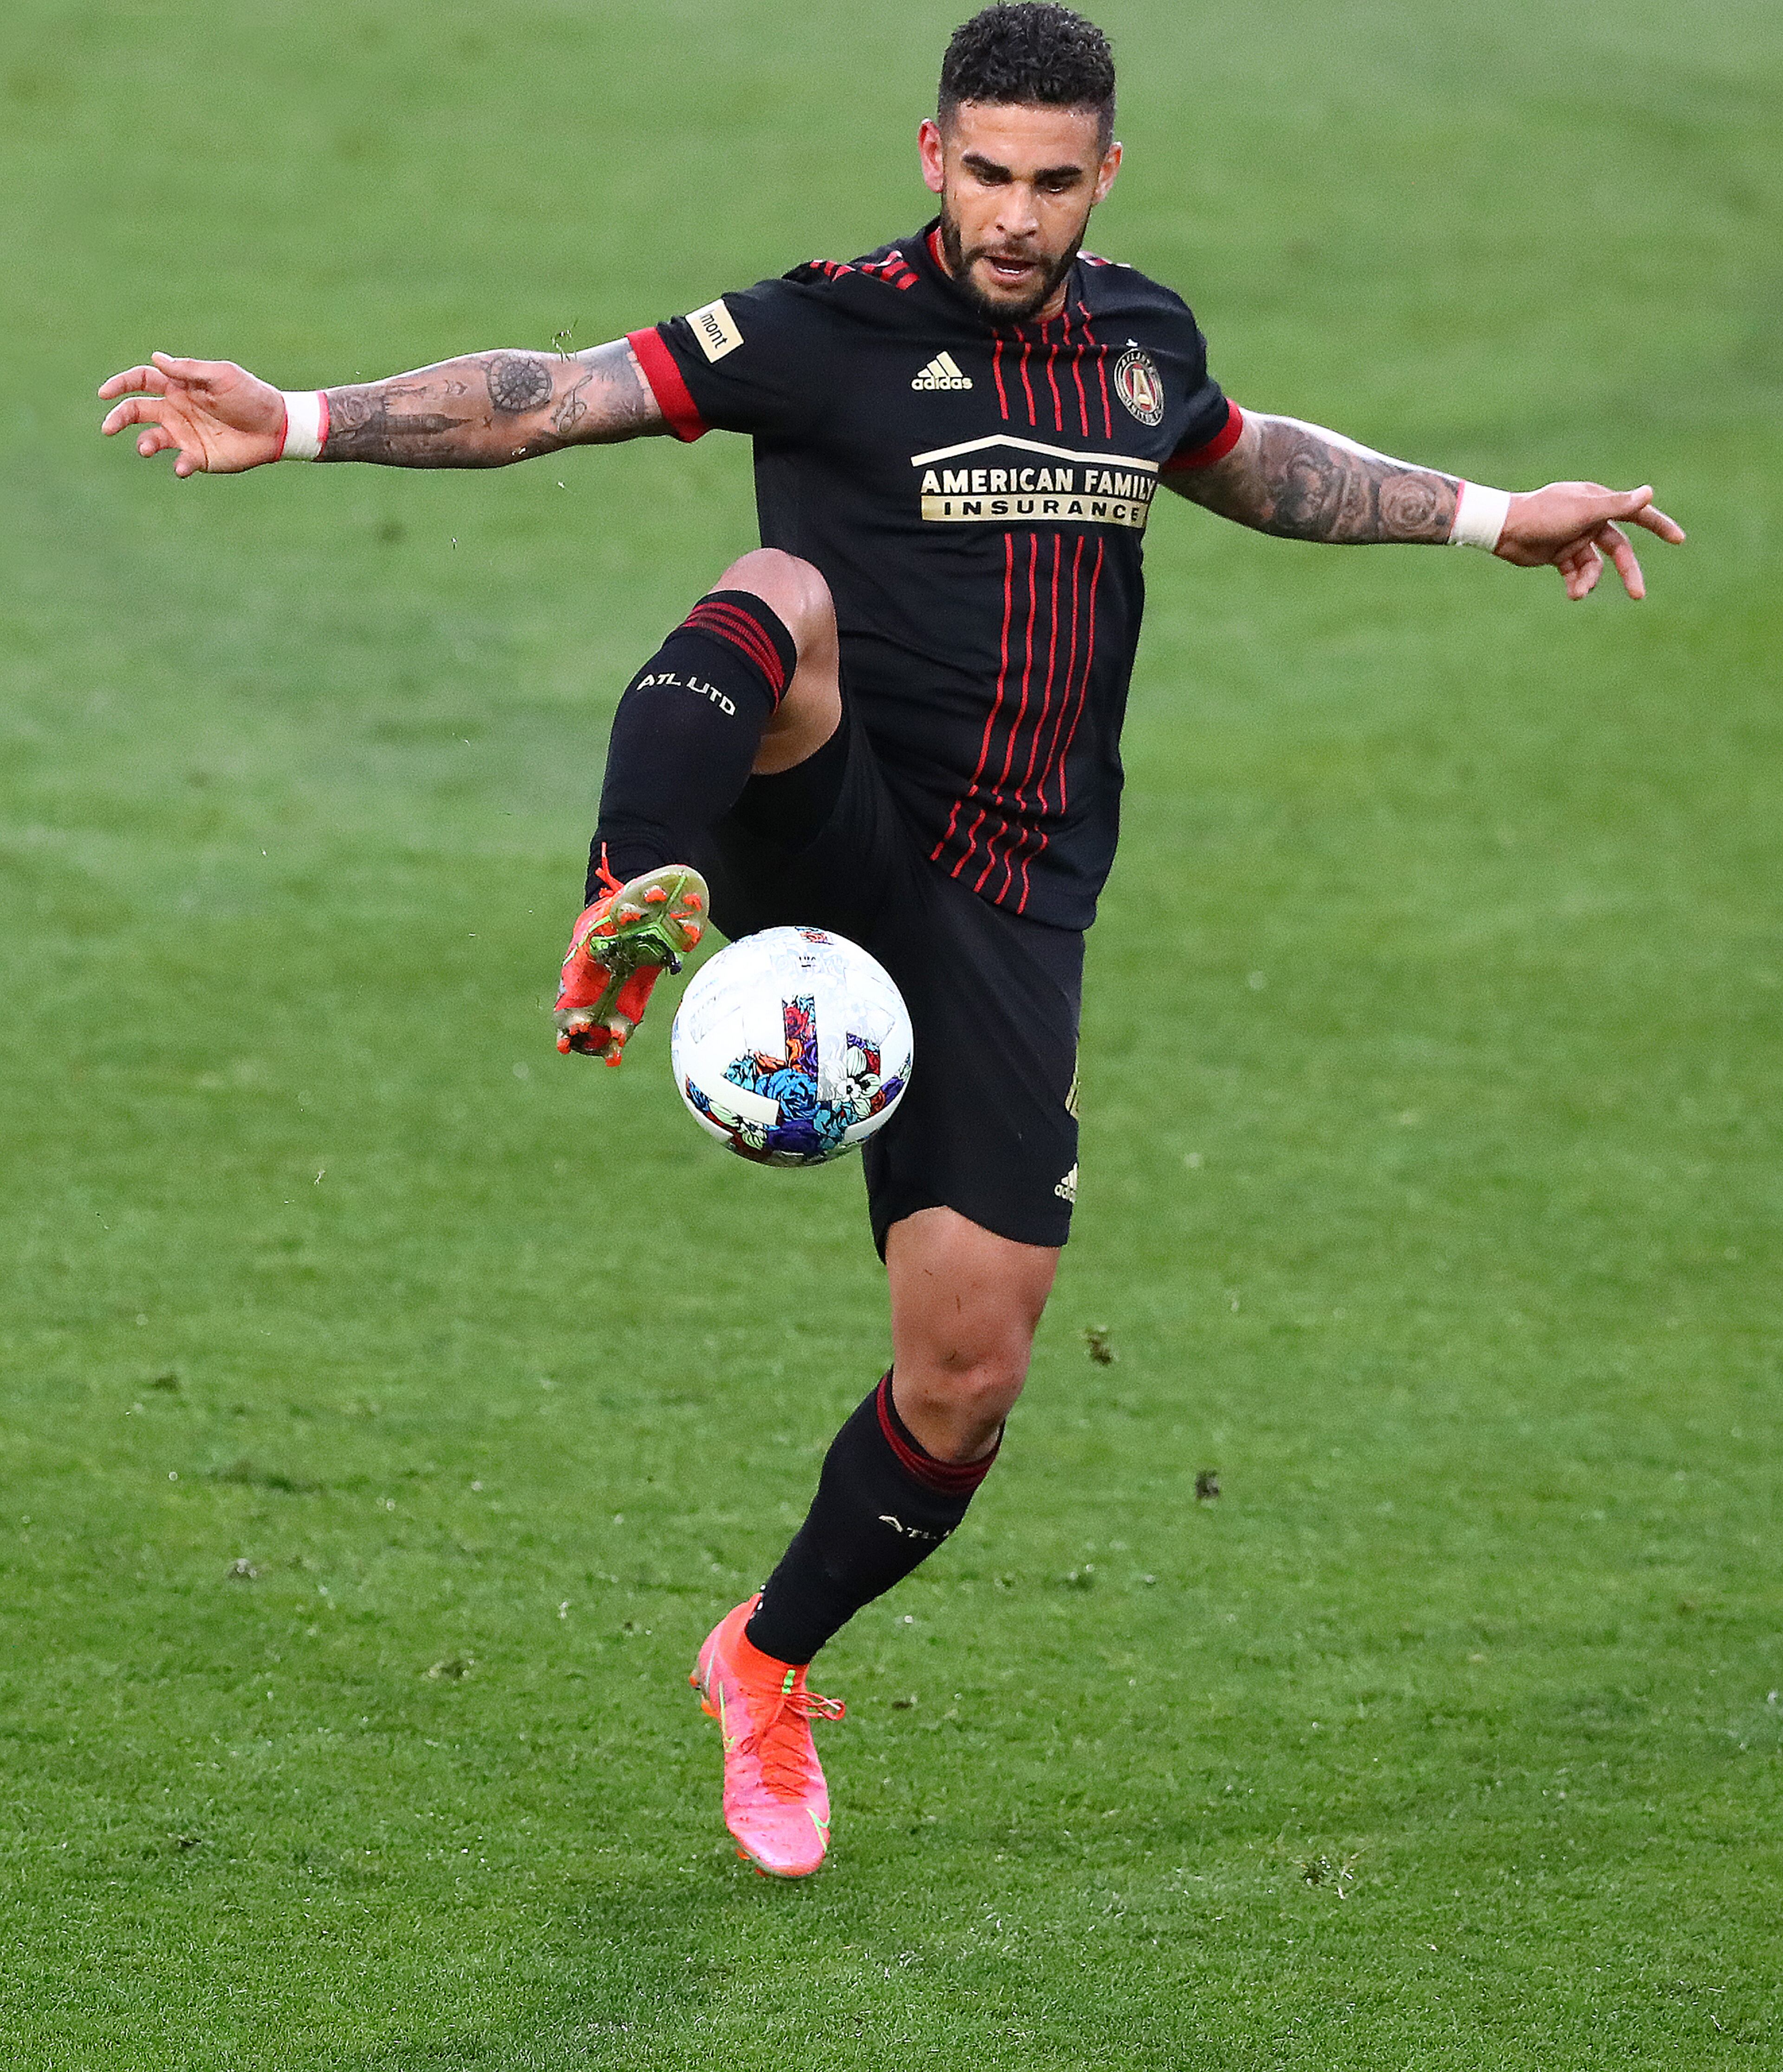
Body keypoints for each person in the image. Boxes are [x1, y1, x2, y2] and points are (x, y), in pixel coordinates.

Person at [99, 1, 1682, 1881]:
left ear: (1107, 174)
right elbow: (552, 393)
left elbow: (1250, 458)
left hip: (1013, 902)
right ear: (933, 157)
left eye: (1055, 180)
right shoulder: (822, 323)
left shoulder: (1142, 340)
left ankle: (762, 1663)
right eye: (989, 173)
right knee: (779, 592)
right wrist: (298, 422)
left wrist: (1492, 515)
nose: (1017, 215)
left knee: (969, 1372)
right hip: (826, 811)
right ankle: (636, 887)